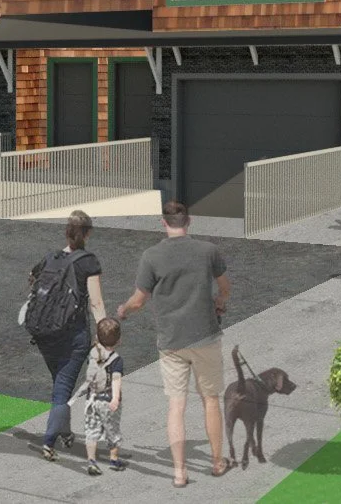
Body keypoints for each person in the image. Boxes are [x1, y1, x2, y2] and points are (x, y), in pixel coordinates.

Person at [116, 201, 231, 486]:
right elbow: (225, 287)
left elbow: (139, 300)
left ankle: (180, 472)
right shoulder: (208, 251)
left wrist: (123, 310)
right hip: (205, 336)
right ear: (188, 221)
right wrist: (220, 301)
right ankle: (217, 462)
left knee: (176, 405)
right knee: (211, 401)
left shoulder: (151, 256)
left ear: (163, 223)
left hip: (171, 342)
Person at [29, 210, 106, 460]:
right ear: (88, 233)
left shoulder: (50, 258)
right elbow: (95, 303)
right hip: (73, 335)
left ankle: (64, 431)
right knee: (63, 387)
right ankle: (49, 441)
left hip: (44, 333)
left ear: (66, 231)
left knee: (60, 383)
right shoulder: (88, 262)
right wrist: (104, 335)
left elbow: (33, 281)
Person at [80, 317, 127, 475]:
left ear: (96, 338)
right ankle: (114, 459)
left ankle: (91, 461)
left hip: (92, 400)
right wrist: (115, 398)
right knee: (112, 430)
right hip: (108, 401)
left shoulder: (92, 354)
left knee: (91, 431)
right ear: (119, 341)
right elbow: (116, 379)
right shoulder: (117, 360)